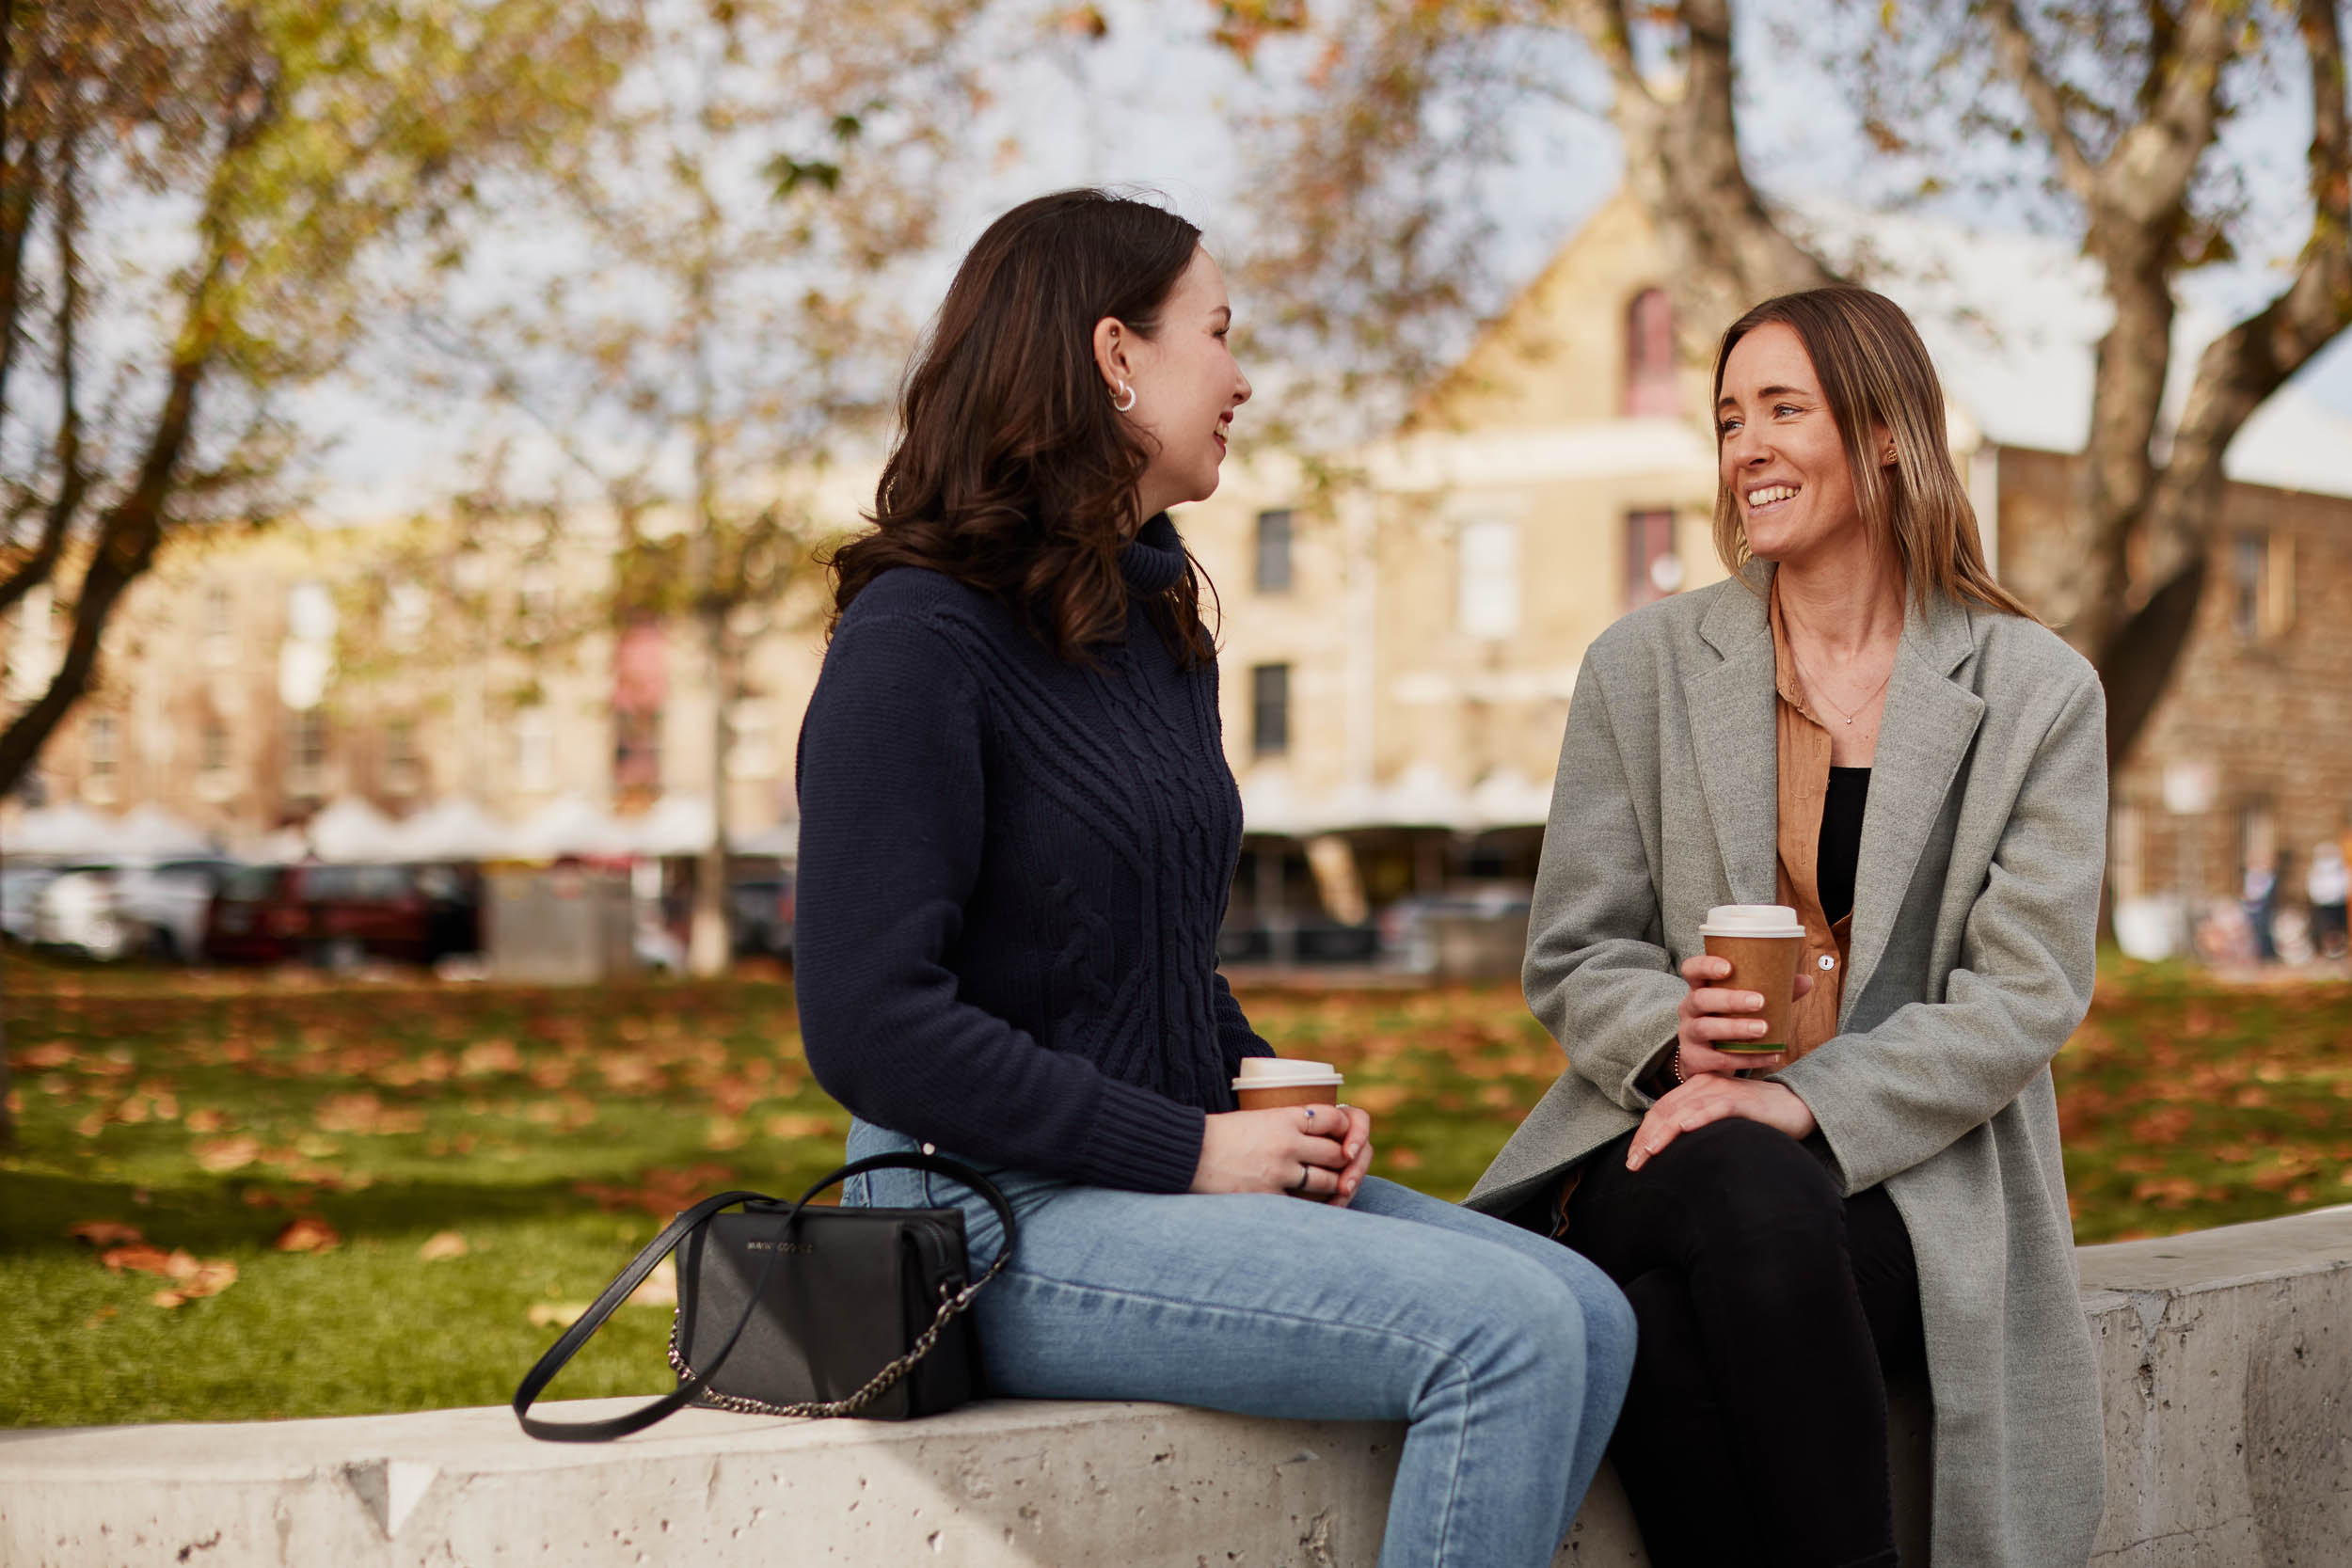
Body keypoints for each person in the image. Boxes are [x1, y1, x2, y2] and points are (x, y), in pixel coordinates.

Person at [793, 189, 1635, 1568]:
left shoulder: (1150, 622)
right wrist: (1190, 1149)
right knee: (1509, 1330)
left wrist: (1274, 1103)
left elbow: (1148, 960)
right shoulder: (917, 638)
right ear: (1115, 354)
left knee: (1590, 1307)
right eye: (1221, 333)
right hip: (977, 1218)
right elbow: (868, 1024)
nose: (1242, 379)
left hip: (1147, 1180)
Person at [1468, 287, 2107, 1568]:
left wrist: (1802, 1100)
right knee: (1736, 1180)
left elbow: (2025, 990)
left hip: (1910, 1182)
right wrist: (1675, 1035)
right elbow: (1576, 946)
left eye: (1781, 410)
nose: (1745, 447)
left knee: (1661, 1330)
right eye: (1727, 419)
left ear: (1885, 434)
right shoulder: (1640, 665)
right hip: (1654, 1148)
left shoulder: (2037, 690)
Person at [2308, 840, 2348, 960]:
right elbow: (2313, 886)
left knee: (2338, 928)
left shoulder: (2341, 868)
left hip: (2339, 903)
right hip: (2323, 904)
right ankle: (2328, 949)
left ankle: (2339, 948)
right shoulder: (2317, 869)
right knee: (2326, 928)